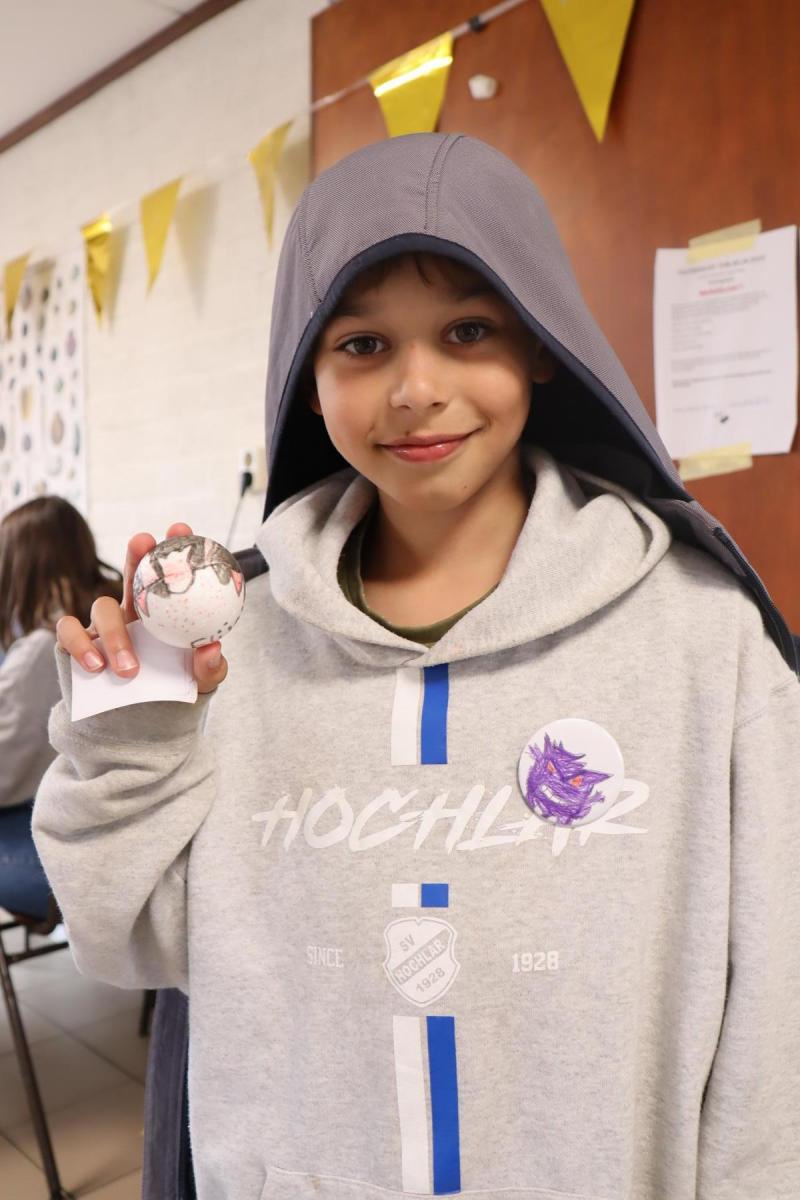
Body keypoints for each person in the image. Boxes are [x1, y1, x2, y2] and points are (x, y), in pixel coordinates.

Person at [33, 134, 799, 1200]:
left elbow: (775, 1009)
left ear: (541, 344)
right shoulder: (230, 652)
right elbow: (134, 945)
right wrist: (131, 744)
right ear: (306, 379)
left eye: (467, 331)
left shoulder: (700, 640)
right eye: (362, 344)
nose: (416, 388)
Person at [0, 495, 122, 918]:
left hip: (64, 841)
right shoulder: (118, 624)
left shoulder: (40, 649)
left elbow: (5, 775)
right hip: (120, 831)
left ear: (18, 568)